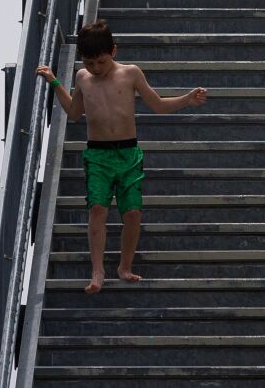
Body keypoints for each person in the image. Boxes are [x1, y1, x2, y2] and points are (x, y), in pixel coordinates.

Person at [35, 20, 208, 292]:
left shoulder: (130, 74)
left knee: (132, 213)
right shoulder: (83, 78)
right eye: (89, 63)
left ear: (113, 52)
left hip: (128, 153)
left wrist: (186, 99)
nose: (96, 68)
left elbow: (158, 105)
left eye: (101, 62)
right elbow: (73, 112)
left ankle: (124, 266)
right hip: (98, 154)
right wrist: (55, 82)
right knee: (97, 209)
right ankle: (97, 270)